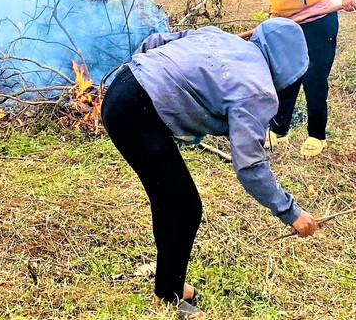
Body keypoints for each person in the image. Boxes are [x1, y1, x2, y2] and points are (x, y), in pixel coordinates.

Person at [101, 18, 318, 318]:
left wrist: (149, 79)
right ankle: (169, 296)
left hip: (122, 87)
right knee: (184, 207)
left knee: (171, 201)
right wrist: (290, 212)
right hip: (136, 115)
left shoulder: (221, 37)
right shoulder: (258, 91)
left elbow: (155, 42)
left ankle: (169, 285)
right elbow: (250, 166)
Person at [241, 0, 356, 158]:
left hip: (319, 21)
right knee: (286, 75)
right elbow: (277, 3)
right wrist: (270, 25)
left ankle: (317, 136)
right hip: (291, 27)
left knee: (314, 77)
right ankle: (279, 130)